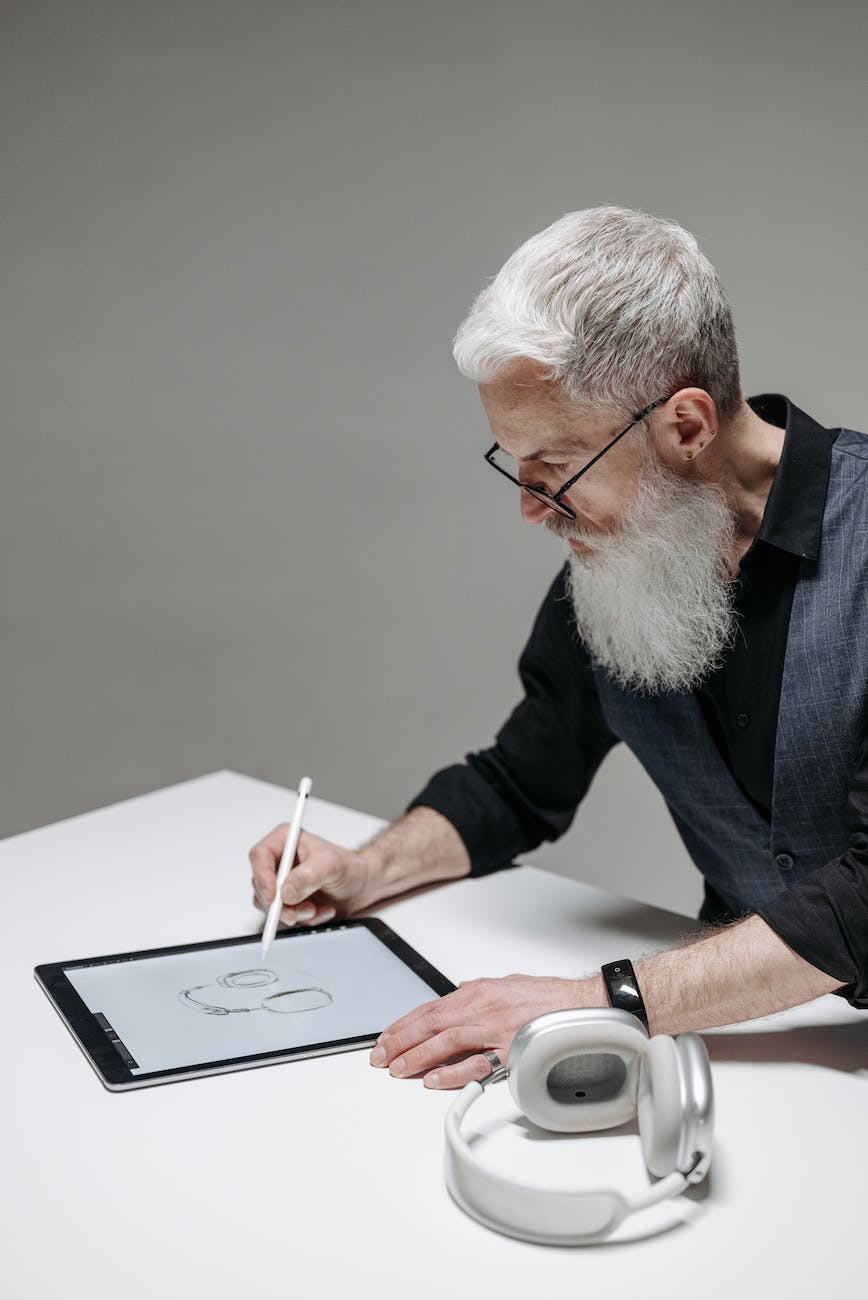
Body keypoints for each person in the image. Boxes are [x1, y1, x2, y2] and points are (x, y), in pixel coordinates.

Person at [250, 206, 868, 1089]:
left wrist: (599, 997)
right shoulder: (622, 568)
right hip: (749, 1055)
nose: (533, 512)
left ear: (686, 425)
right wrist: (363, 868)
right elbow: (518, 782)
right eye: (516, 470)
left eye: (557, 470)